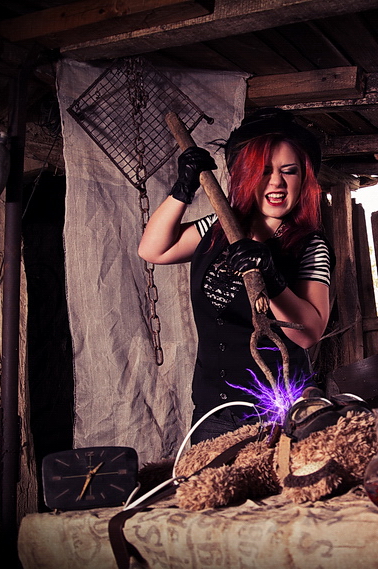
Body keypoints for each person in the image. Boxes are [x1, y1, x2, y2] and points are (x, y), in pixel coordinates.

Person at [138, 108, 333, 444]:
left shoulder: (310, 245)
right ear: (243, 176)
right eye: (263, 171)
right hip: (213, 412)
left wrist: (272, 277)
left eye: (289, 171)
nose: (276, 182)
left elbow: (309, 333)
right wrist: (182, 190)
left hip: (278, 414)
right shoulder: (216, 230)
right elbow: (153, 249)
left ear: (304, 179)